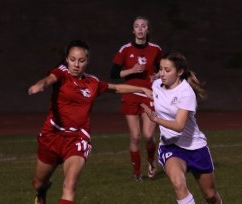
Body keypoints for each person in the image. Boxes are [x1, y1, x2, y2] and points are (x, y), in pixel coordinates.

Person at [28, 40, 153, 204]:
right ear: (67, 59)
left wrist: (141, 89)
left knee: (70, 185)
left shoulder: (92, 83)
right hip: (52, 134)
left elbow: (115, 88)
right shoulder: (61, 74)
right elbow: (48, 79)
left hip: (78, 138)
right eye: (72, 59)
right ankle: (42, 191)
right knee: (38, 183)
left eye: (81, 60)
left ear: (87, 61)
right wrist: (40, 85)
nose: (76, 64)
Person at [141, 52, 222, 204]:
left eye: (167, 70)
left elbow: (179, 126)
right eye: (160, 69)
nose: (162, 74)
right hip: (171, 147)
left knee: (210, 196)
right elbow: (146, 90)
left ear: (179, 72)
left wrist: (155, 119)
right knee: (178, 184)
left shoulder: (186, 93)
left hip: (196, 148)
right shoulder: (157, 84)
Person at [110, 16, 162, 181]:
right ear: (133, 30)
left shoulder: (155, 49)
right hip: (130, 94)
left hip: (149, 94)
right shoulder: (125, 49)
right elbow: (113, 74)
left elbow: (164, 70)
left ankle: (151, 162)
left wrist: (158, 76)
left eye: (143, 26)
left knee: (148, 135)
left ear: (148, 29)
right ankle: (137, 173)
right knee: (135, 137)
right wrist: (131, 70)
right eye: (137, 26)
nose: (140, 29)